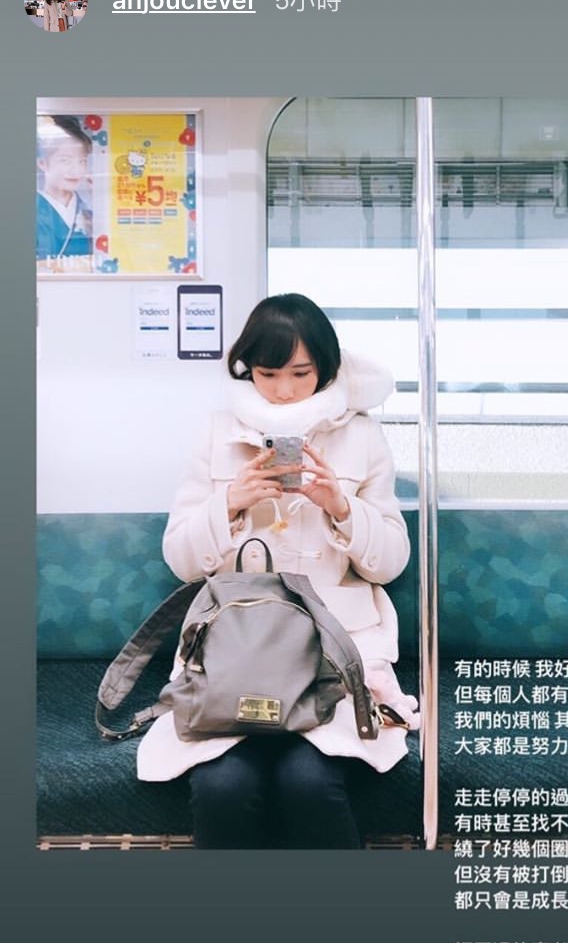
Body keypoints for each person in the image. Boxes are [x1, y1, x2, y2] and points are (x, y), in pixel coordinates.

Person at [137, 294, 418, 848]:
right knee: (223, 787)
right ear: (247, 369)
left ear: (327, 369)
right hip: (236, 650)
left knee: (307, 781)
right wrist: (230, 504)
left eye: (300, 373)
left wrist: (341, 508)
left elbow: (390, 563)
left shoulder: (361, 435)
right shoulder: (218, 432)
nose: (284, 390)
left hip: (335, 651)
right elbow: (182, 562)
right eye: (268, 374)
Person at [36, 116, 93, 264]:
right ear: (42, 163)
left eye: (82, 161)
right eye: (65, 160)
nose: (76, 170)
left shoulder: (89, 213)